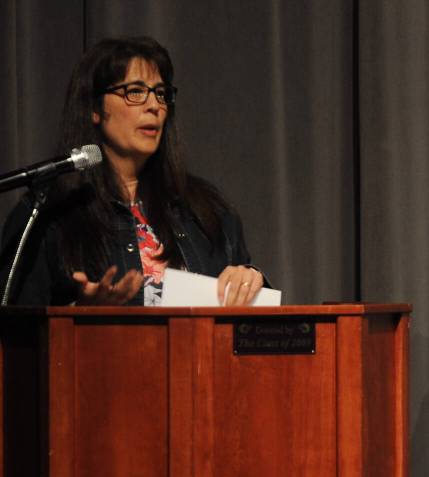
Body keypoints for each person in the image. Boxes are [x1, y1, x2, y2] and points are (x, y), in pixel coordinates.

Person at [0, 36, 263, 306]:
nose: (154, 106)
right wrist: (80, 317)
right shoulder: (49, 214)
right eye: (135, 92)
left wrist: (251, 279)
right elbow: (15, 334)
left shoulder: (205, 210)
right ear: (94, 108)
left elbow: (250, 328)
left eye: (161, 94)